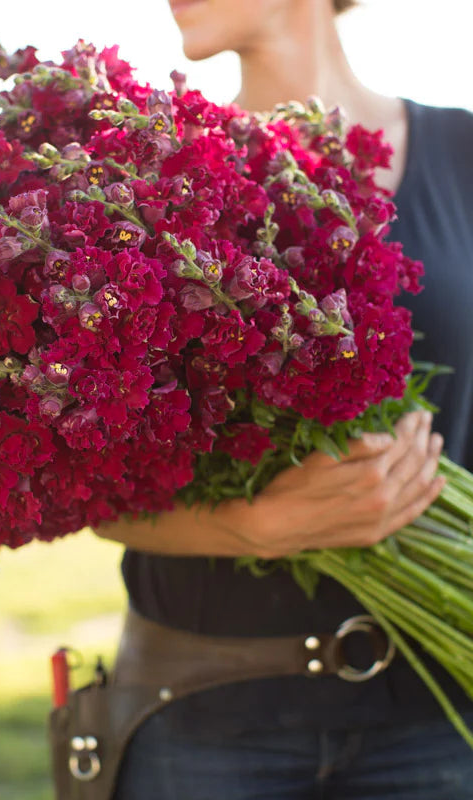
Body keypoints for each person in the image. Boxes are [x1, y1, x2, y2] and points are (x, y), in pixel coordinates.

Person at [95, 0, 473, 797]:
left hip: (439, 712)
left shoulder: (464, 152)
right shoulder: (148, 180)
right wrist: (251, 527)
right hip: (205, 709)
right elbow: (82, 490)